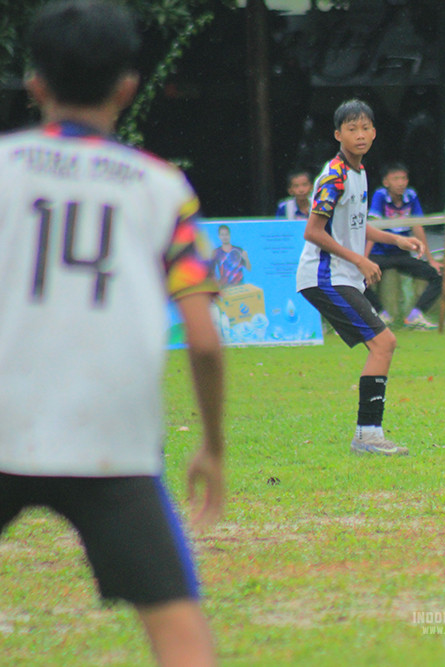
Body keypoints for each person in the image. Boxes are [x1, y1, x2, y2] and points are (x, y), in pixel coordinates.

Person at [0, 3, 226, 666]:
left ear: (35, 82)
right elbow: (206, 340)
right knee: (179, 631)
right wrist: (211, 443)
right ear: (127, 88)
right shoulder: (162, 188)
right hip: (112, 439)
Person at [296, 99, 422, 456]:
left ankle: (368, 435)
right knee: (384, 343)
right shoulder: (334, 176)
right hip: (324, 276)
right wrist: (359, 261)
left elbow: (354, 224)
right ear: (338, 135)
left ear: (374, 132)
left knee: (382, 345)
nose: (360, 134)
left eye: (365, 127)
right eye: (352, 129)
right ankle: (368, 436)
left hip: (341, 275)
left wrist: (396, 238)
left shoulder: (360, 173)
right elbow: (314, 231)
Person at [364, 162, 442, 330]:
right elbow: (373, 229)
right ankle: (381, 315)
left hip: (402, 254)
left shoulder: (411, 196)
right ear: (386, 182)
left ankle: (416, 315)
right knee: (357, 280)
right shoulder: (380, 196)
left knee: (437, 276)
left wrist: (430, 259)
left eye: (404, 178)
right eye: (396, 179)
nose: (401, 183)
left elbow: (417, 226)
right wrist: (364, 260)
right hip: (380, 254)